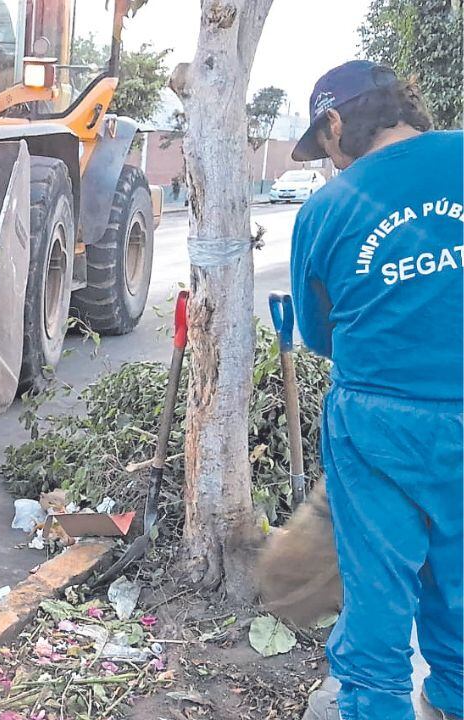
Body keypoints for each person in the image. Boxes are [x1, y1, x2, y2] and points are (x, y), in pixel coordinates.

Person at [290, 60, 462, 720]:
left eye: (324, 145)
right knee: (460, 579)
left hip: (379, 423)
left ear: (336, 122)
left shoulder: (328, 209)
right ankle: (451, 696)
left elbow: (321, 334)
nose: (330, 163)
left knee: (378, 594)